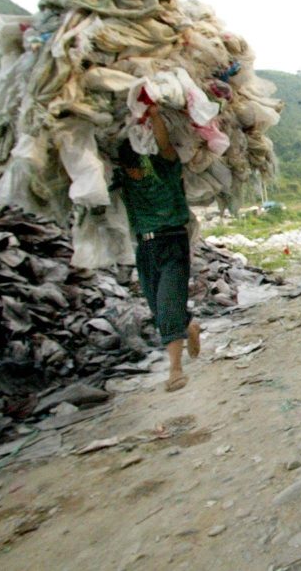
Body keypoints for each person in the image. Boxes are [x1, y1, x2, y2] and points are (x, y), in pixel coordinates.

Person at [115, 101, 200, 392]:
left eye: (136, 165)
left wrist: (153, 115)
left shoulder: (164, 167)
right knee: (158, 307)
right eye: (129, 167)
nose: (134, 171)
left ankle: (175, 370)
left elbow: (164, 145)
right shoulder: (123, 180)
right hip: (145, 247)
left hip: (172, 240)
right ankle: (188, 325)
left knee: (167, 303)